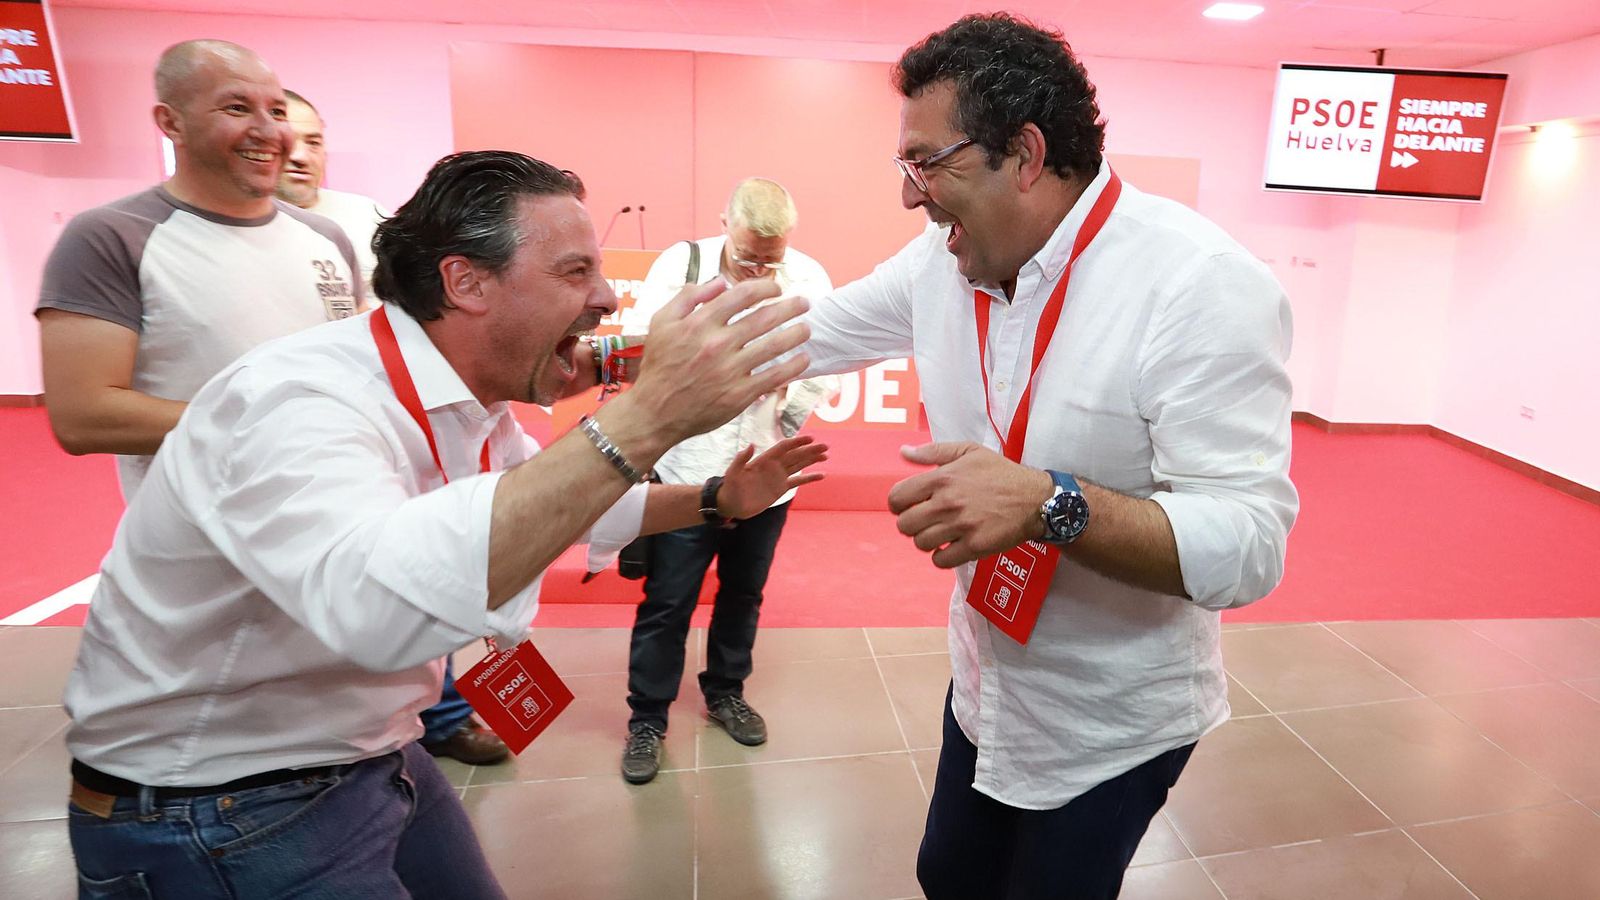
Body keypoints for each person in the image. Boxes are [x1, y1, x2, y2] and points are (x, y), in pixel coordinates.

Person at [60, 149, 824, 898]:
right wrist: (649, 417)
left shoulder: (467, 403)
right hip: (216, 802)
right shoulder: (298, 403)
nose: (607, 299)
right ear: (465, 282)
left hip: (366, 747)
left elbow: (562, 504)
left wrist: (718, 499)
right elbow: (378, 611)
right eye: (573, 272)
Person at [796, 14, 1299, 899]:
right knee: (947, 875)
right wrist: (617, 355)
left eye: (927, 162)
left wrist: (1049, 501)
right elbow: (809, 334)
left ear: (1024, 154)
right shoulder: (938, 260)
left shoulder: (1199, 285)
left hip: (1113, 718)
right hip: (986, 682)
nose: (911, 196)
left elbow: (1250, 542)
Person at [274, 84, 504, 767]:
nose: (297, 151)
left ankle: (442, 712)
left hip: (394, 438)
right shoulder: (144, 234)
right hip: (287, 457)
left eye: (315, 139)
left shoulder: (357, 225)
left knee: (416, 569)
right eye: (288, 135)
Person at [35, 39, 365, 504]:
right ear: (172, 122)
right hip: (195, 542)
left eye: (276, 111)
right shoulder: (110, 236)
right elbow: (83, 415)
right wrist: (266, 427)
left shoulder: (327, 238)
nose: (267, 130)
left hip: (328, 513)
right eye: (237, 107)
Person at [617, 177, 839, 784]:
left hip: (765, 474)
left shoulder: (808, 280)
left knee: (744, 592)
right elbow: (640, 352)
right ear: (724, 223)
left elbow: (827, 359)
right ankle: (648, 720)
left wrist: (787, 407)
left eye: (771, 260)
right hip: (688, 475)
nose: (759, 270)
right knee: (668, 600)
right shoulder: (679, 267)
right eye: (747, 257)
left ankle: (725, 693)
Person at [276, 88, 387, 292]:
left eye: (313, 143)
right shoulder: (244, 229)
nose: (301, 157)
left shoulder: (366, 213)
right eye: (288, 141)